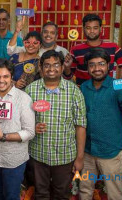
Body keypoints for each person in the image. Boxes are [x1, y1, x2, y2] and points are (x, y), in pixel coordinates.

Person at [25, 50, 87, 200]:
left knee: (61, 193)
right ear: (41, 68)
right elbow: (23, 122)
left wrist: (79, 157)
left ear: (61, 67)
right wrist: (32, 127)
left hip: (65, 156)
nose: (51, 69)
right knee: (40, 193)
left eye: (55, 65)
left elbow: (80, 126)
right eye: (47, 65)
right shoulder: (30, 90)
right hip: (38, 154)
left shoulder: (74, 91)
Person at [0, 58, 35, 200]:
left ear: (12, 77)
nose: (1, 80)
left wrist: (3, 136)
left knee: (11, 196)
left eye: (5, 76)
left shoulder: (24, 99)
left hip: (14, 159)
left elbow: (30, 132)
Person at [79, 48, 122, 199]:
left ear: (109, 66)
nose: (97, 69)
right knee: (85, 190)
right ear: (88, 68)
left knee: (115, 193)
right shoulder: (84, 87)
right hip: (88, 151)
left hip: (112, 151)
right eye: (92, 65)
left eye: (101, 64)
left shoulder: (119, 84)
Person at [64, 14, 122, 85]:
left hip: (107, 94)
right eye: (88, 28)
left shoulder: (113, 47)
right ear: (83, 29)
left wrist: (117, 86)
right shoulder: (75, 50)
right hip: (83, 93)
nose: (92, 31)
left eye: (95, 28)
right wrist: (67, 68)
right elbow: (68, 77)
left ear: (100, 28)